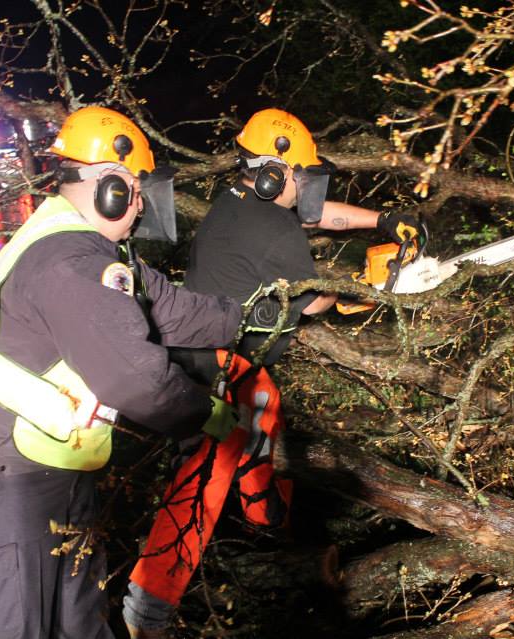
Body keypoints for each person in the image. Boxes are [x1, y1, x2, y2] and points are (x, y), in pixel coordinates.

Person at [0, 105, 246, 639]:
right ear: (110, 186)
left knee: (79, 618)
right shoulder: (71, 260)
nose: (142, 206)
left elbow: (168, 307)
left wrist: (247, 316)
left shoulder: (88, 246)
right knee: (14, 628)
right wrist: (205, 412)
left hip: (47, 459)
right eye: (137, 191)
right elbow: (135, 381)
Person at [123, 108, 421, 638]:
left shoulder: (241, 200)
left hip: (220, 356)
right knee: (202, 479)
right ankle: (148, 606)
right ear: (273, 173)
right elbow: (310, 305)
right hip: (211, 365)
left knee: (264, 413)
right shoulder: (271, 228)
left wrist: (381, 220)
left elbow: (316, 214)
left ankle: (268, 533)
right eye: (300, 177)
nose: (305, 187)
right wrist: (366, 287)